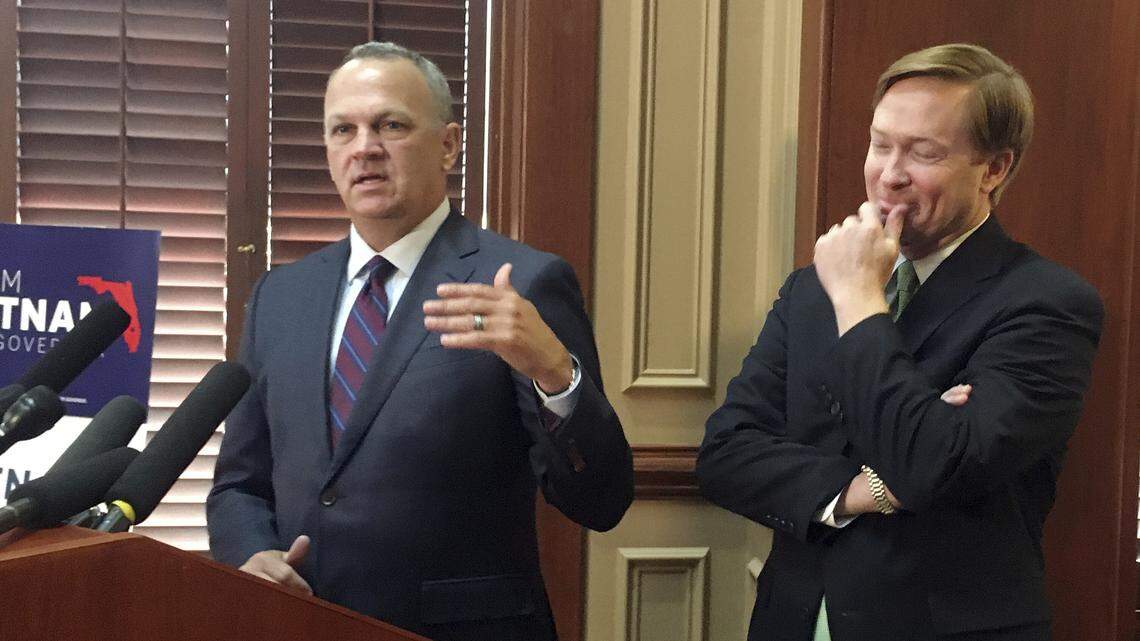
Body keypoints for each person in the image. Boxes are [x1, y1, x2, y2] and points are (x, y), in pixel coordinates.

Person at [207, 41, 633, 641]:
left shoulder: (523, 281)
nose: (365, 149)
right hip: (298, 622)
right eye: (343, 130)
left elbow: (602, 499)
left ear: (449, 144)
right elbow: (239, 484)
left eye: (390, 125)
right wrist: (250, 557)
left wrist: (555, 375)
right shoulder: (282, 296)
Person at [697, 43, 1102, 641]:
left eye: (924, 153)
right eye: (880, 143)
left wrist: (860, 302)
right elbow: (726, 455)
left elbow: (934, 464)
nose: (889, 173)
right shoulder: (812, 288)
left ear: (993, 169)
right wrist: (860, 490)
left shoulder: (1047, 302)